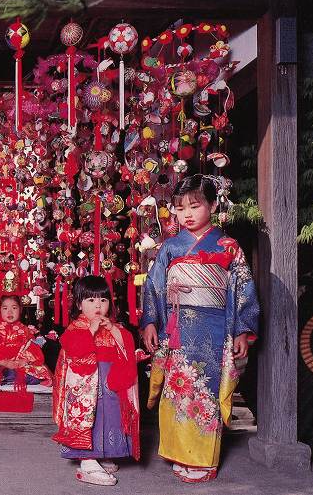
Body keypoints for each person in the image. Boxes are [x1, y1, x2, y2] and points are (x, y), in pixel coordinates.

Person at [140, 173, 259, 483]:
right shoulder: (170, 246)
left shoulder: (227, 245)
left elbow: (243, 287)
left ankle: (204, 459)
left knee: (204, 390)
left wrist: (242, 329)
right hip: (177, 328)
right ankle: (180, 452)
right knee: (176, 389)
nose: (187, 215)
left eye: (194, 206)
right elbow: (153, 286)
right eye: (180, 209)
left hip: (213, 328)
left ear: (212, 205)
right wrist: (151, 321)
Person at [52, 275, 139, 487]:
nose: (98, 305)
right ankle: (87, 461)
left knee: (109, 416)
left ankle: (103, 452)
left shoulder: (112, 325)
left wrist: (113, 330)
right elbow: (74, 349)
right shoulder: (76, 327)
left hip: (108, 382)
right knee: (89, 419)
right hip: (85, 385)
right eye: (91, 300)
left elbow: (126, 344)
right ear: (79, 304)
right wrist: (91, 329)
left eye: (103, 300)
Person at [0, 295, 53, 389]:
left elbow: (33, 352)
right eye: (5, 308)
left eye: (14, 308)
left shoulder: (26, 331)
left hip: (21, 366)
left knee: (42, 371)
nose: (9, 312)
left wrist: (23, 361)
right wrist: (5, 362)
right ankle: (9, 378)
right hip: (1, 365)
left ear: (20, 309)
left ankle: (12, 378)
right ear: (0, 310)